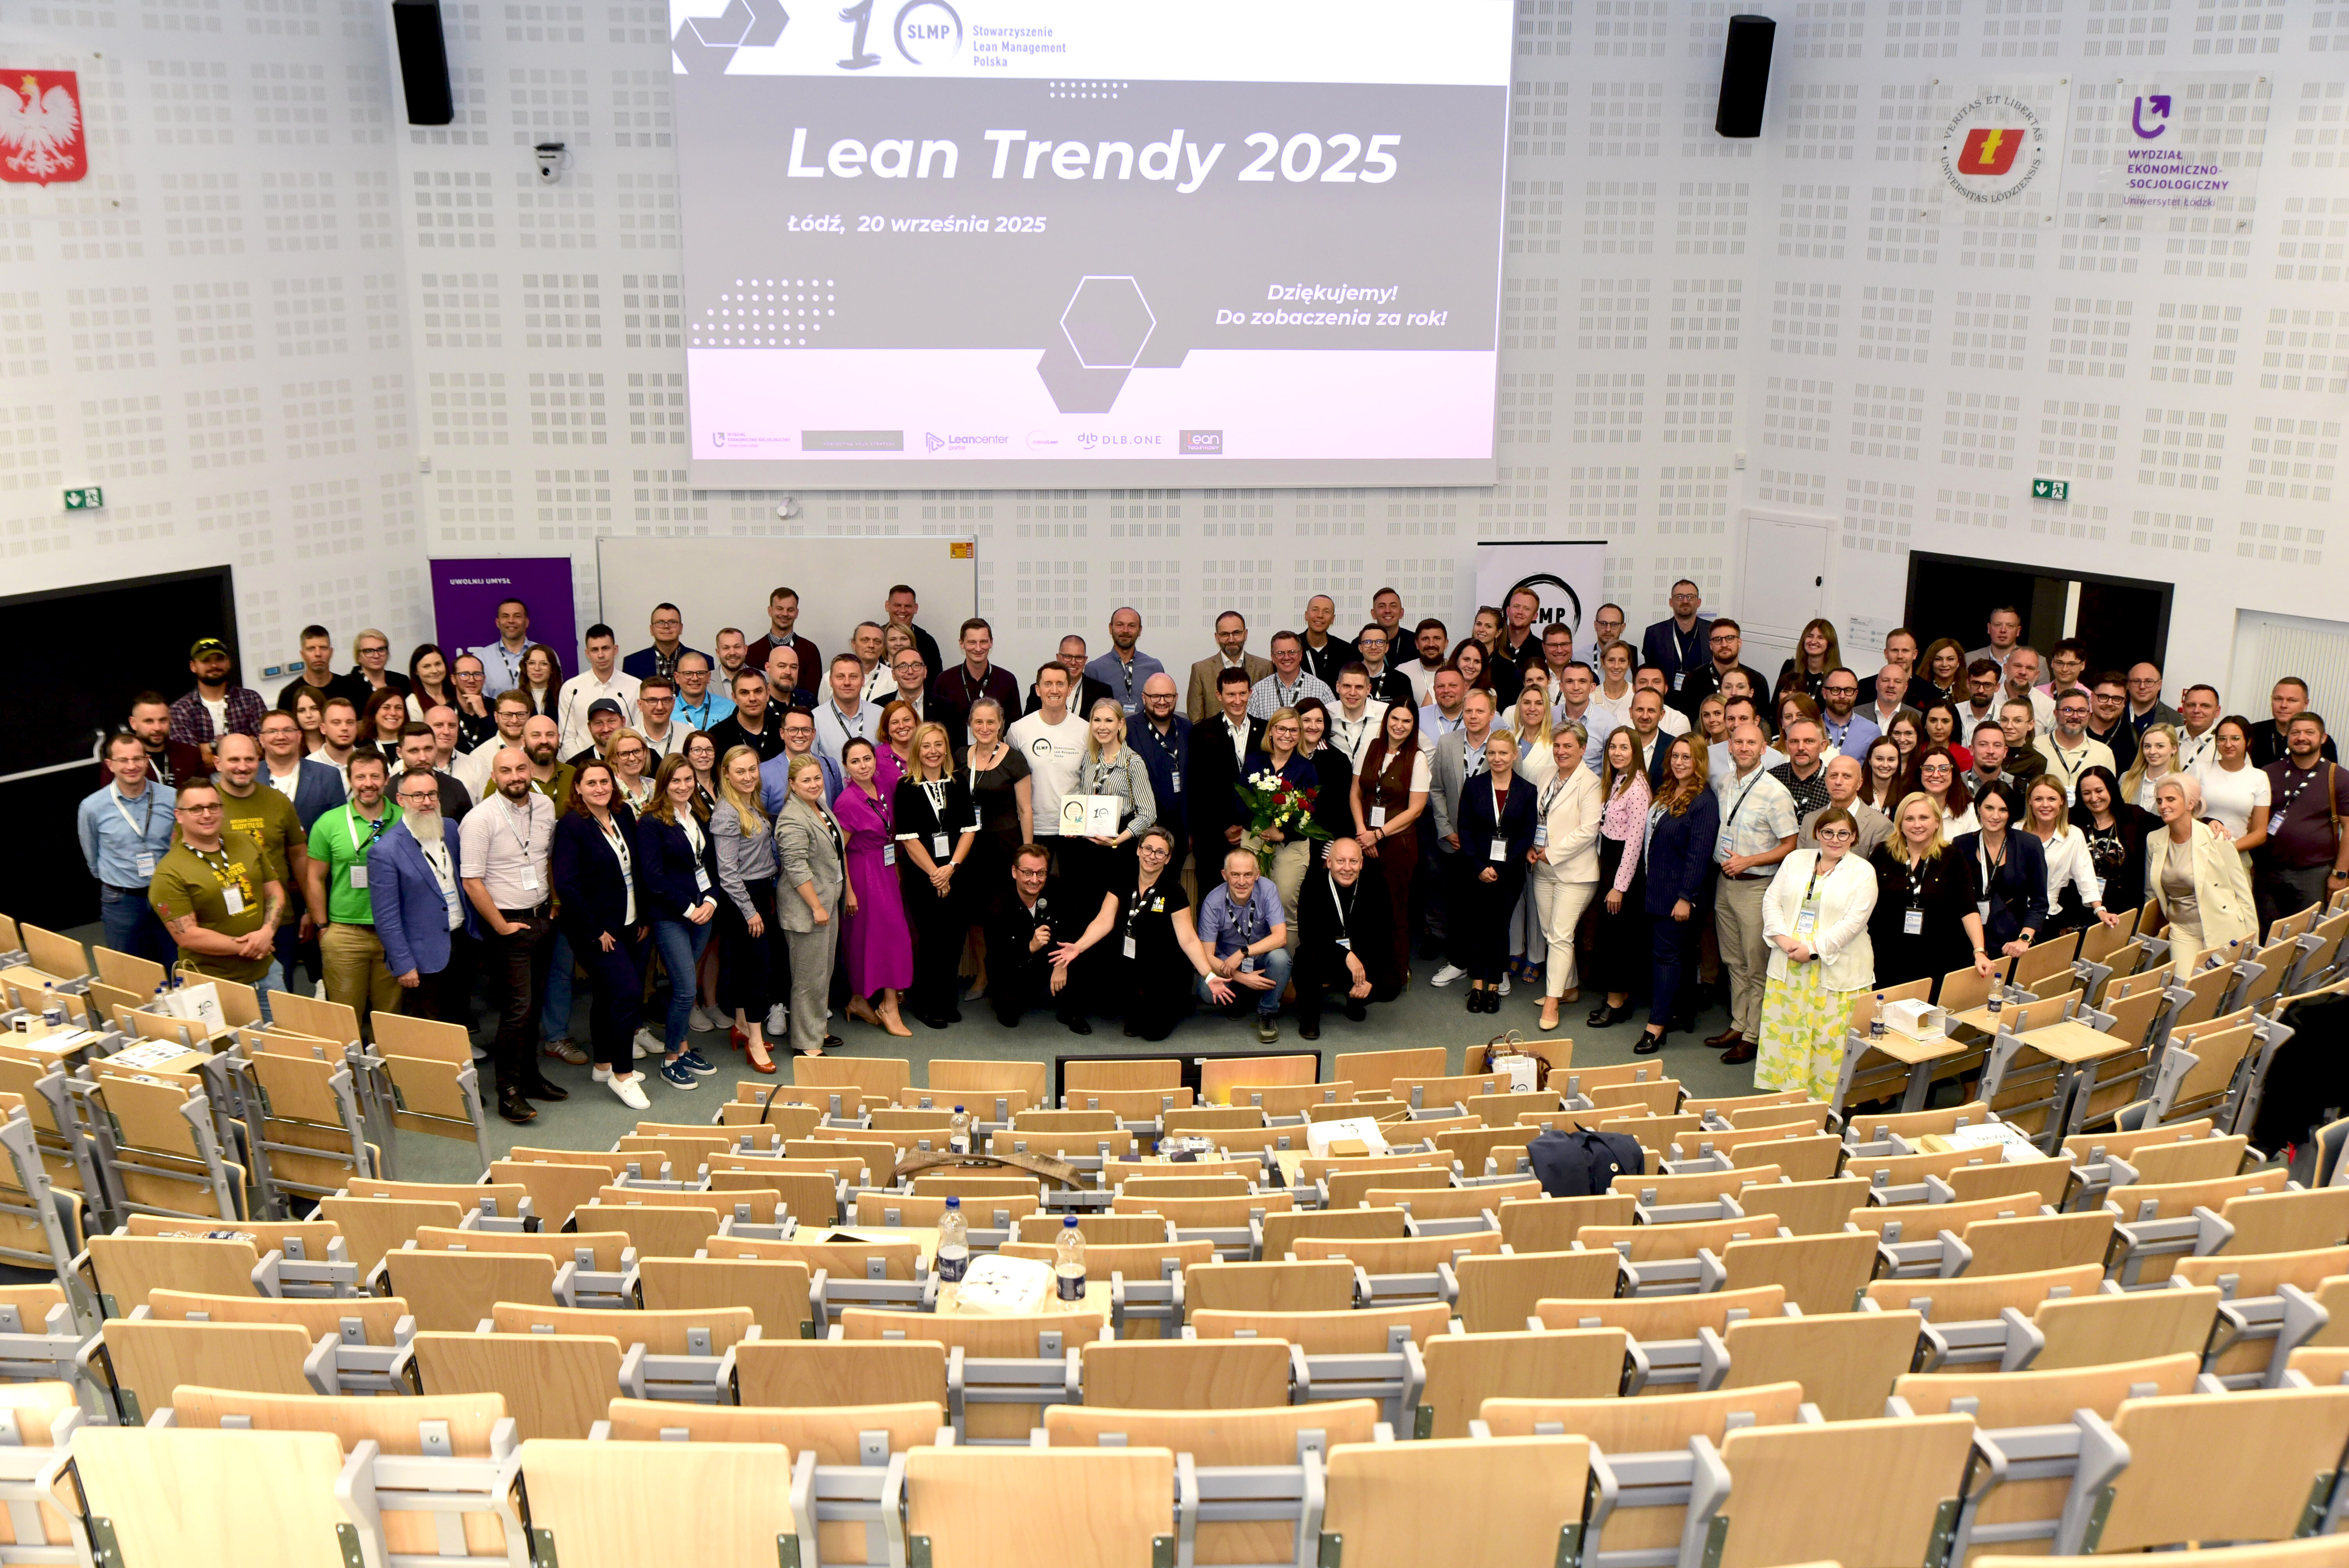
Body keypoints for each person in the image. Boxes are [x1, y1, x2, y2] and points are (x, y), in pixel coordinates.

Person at [458, 745, 566, 1124]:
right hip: (507, 926)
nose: (515, 776)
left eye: (521, 768)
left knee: (534, 1007)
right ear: (494, 777)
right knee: (517, 1011)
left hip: (541, 919)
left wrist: (554, 901)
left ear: (531, 771)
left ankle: (530, 1077)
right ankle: (508, 1091)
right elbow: (471, 880)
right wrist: (500, 925)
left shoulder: (546, 806)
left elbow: (545, 858)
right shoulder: (479, 819)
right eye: (506, 771)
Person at [1753, 805, 1878, 1099]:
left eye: (1843, 834)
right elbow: (1771, 901)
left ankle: (1826, 1104)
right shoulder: (1796, 859)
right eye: (1828, 832)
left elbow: (1854, 923)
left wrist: (1812, 950)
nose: (1835, 839)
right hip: (1790, 962)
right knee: (1788, 1034)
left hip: (1836, 967)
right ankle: (1787, 1097)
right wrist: (1784, 941)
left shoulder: (1863, 872)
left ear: (1854, 837)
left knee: (1828, 1041)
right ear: (1817, 833)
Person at [549, 760, 650, 1107]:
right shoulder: (571, 826)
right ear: (578, 788)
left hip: (629, 920)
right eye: (590, 783)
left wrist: (642, 915)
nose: (599, 788)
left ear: (613, 785)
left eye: (604, 781)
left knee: (608, 994)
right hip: (594, 929)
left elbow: (636, 869)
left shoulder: (623, 815)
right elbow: (567, 884)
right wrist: (596, 929)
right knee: (627, 993)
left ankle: (603, 1065)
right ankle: (623, 1075)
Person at [1060, 826, 1209, 1040]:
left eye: (1160, 852)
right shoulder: (1122, 879)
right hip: (1129, 956)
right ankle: (1131, 1004)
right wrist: (1078, 947)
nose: (1152, 856)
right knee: (1091, 953)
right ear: (1139, 850)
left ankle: (1171, 1001)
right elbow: (1104, 921)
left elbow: (1189, 939)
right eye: (1148, 849)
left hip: (1162, 964)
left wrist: (1209, 975)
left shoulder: (1174, 891)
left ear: (1168, 859)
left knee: (1153, 1033)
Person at [147, 777, 285, 1007]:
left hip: (267, 971)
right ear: (179, 815)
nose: (207, 815)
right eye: (196, 809)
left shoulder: (246, 843)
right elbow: (187, 935)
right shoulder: (169, 873)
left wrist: (267, 932)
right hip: (212, 984)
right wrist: (252, 946)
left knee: (285, 1029)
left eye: (213, 807)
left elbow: (275, 892)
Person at [1710, 723, 1800, 1064]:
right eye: (1739, 742)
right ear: (1730, 746)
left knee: (1755, 964)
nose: (1744, 747)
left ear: (1764, 749)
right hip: (1725, 883)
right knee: (1732, 960)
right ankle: (1739, 1023)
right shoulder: (1724, 782)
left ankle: (1753, 1035)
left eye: (1752, 742)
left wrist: (1749, 861)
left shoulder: (1775, 793)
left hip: (1756, 886)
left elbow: (1790, 845)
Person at [635, 754, 721, 1090]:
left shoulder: (700, 813)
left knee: (686, 987)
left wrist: (711, 900)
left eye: (689, 780)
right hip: (673, 917)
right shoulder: (651, 822)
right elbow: (653, 879)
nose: (684, 786)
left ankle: (683, 1049)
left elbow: (710, 864)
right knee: (685, 990)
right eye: (676, 781)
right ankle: (671, 1060)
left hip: (704, 912)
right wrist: (690, 909)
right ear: (664, 783)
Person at [305, 748, 402, 1038]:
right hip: (345, 932)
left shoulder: (405, 819)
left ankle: (389, 1066)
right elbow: (314, 877)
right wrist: (322, 927)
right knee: (345, 1020)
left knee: (391, 1018)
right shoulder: (329, 823)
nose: (368, 784)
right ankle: (349, 1067)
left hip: (394, 933)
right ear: (350, 780)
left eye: (375, 776)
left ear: (387, 780)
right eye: (360, 777)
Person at [369, 767, 475, 1027]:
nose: (427, 802)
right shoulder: (385, 851)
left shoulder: (450, 828)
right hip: (423, 954)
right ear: (401, 800)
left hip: (461, 940)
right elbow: (387, 918)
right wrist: (404, 964)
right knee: (429, 1025)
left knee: (459, 1013)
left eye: (432, 794)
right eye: (417, 796)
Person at [1636, 733, 1717, 1054]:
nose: (1680, 762)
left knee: (1666, 958)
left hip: (1679, 895)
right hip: (1657, 888)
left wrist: (1686, 898)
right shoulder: (1668, 790)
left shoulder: (1704, 801)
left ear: (1699, 762)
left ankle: (1655, 1028)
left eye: (1687, 757)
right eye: (1676, 756)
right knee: (1673, 956)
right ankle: (1681, 1011)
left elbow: (1699, 855)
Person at [893, 722, 977, 1029]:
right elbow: (908, 838)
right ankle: (926, 1005)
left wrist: (951, 868)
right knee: (931, 941)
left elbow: (969, 830)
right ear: (917, 750)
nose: (933, 752)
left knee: (954, 939)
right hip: (923, 877)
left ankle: (947, 1001)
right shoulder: (906, 786)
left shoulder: (958, 781)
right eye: (926, 746)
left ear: (946, 748)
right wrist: (935, 874)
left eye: (938, 745)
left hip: (956, 873)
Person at [834, 736, 914, 1037]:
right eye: (855, 762)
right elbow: (839, 851)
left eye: (867, 759)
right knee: (884, 938)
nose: (863, 766)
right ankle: (889, 1006)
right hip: (863, 873)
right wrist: (849, 890)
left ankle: (858, 1000)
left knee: (876, 938)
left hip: (886, 867)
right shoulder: (847, 802)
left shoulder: (882, 787)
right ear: (846, 767)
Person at [79, 731, 182, 966]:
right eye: (123, 760)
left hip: (169, 893)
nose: (132, 766)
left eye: (137, 759)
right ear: (110, 765)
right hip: (122, 899)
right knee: (130, 968)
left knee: (178, 964)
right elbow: (92, 855)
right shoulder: (92, 807)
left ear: (147, 760)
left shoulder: (172, 798)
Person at [1454, 729, 1538, 1015]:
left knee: (1499, 927)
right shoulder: (1474, 786)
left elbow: (1527, 834)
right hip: (1475, 868)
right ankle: (1477, 985)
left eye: (1503, 753)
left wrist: (1500, 867)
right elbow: (1465, 829)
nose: (1497, 758)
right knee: (1478, 925)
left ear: (1514, 755)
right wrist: (1479, 867)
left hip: (1509, 873)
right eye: (1492, 753)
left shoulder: (1527, 791)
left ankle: (1494, 987)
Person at [711, 744, 782, 1072]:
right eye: (740, 771)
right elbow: (727, 873)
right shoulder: (727, 812)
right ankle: (755, 1040)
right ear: (726, 774)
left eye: (753, 769)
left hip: (759, 891)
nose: (748, 776)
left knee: (743, 967)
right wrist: (750, 911)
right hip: (743, 898)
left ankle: (741, 1025)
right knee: (759, 969)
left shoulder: (749, 801)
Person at [2147, 772, 2260, 976]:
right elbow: (2152, 891)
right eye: (2160, 801)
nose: (2163, 806)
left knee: (2217, 986)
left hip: (2221, 924)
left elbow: (2242, 890)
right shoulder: (2154, 840)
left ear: (2191, 804)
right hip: (2181, 928)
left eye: (2171, 799)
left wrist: (2253, 941)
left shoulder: (2216, 837)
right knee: (2184, 985)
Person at [1426, 689, 1502, 988]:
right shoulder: (1447, 743)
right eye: (1468, 711)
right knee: (1457, 905)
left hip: (1488, 845)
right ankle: (1459, 962)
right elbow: (1436, 789)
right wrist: (1446, 828)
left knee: (1489, 908)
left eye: (1480, 711)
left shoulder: (1503, 744)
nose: (1473, 716)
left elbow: (1513, 793)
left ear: (1492, 714)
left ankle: (1492, 968)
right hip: (1455, 840)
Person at [775, 754, 850, 1057]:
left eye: (817, 778)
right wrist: (817, 906)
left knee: (823, 973)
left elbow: (836, 853)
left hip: (828, 902)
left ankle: (816, 1030)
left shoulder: (820, 807)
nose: (814, 784)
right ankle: (806, 1043)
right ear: (792, 784)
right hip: (808, 909)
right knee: (808, 979)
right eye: (806, 780)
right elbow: (796, 868)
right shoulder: (792, 817)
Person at [1530, 725, 1603, 1031]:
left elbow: (1589, 830)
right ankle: (1569, 988)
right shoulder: (1546, 775)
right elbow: (1537, 817)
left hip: (1576, 873)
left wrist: (1553, 852)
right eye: (1557, 746)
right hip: (1543, 869)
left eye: (1568, 746)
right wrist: (1532, 847)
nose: (1561, 752)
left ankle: (1552, 1002)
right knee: (1552, 932)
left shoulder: (1591, 783)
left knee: (1561, 935)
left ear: (1583, 749)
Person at [1290, 834, 1399, 1040]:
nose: (1347, 868)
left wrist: (1369, 977)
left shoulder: (1377, 884)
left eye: (1353, 861)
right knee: (1306, 958)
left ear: (1361, 863)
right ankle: (1310, 1015)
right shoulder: (1313, 883)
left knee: (1391, 985)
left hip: (1361, 954)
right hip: (1324, 952)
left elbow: (1384, 935)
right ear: (1330, 862)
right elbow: (1309, 935)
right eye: (1341, 861)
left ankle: (1355, 1000)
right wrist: (1346, 956)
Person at [1351, 699, 1427, 989]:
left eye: (1407, 721)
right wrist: (1363, 832)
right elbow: (1355, 792)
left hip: (1397, 845)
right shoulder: (1371, 747)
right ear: (1386, 720)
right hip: (1364, 841)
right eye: (1395, 718)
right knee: (1365, 908)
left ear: (1413, 726)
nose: (1399, 726)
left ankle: (1395, 973)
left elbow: (1416, 809)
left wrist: (1379, 834)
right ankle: (1365, 971)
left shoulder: (1417, 758)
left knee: (1395, 909)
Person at [1869, 793, 1977, 993]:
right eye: (1910, 819)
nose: (1917, 825)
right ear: (1900, 824)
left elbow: (1968, 907)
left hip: (1939, 957)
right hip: (1888, 957)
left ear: (1937, 822)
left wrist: (1979, 951)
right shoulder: (1882, 854)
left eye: (1924, 818)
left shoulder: (1953, 857)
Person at [2255, 712, 2349, 935]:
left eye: (2309, 733)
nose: (2301, 738)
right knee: (2266, 935)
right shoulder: (2267, 773)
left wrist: (2341, 874)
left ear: (2323, 738)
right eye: (2295, 733)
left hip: (2314, 875)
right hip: (2268, 872)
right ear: (2288, 737)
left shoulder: (2338, 777)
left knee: (2306, 938)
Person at [987, 841, 1093, 1032]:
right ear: (1015, 872)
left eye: (1041, 873)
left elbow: (1075, 932)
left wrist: (1062, 964)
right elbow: (998, 957)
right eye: (1028, 873)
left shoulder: (1058, 890)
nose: (1035, 880)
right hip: (1015, 967)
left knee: (1081, 952)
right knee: (1009, 1015)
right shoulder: (999, 904)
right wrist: (1030, 947)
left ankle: (1070, 1012)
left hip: (1051, 961)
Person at [1193, 847, 1291, 1044]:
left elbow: (1281, 938)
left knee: (1281, 959)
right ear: (1225, 875)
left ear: (1257, 874)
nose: (1242, 882)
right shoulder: (1213, 901)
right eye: (1235, 875)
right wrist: (1242, 978)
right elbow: (1206, 956)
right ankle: (1237, 997)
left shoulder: (1268, 889)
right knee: (1205, 990)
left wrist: (1243, 953)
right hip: (1227, 963)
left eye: (1248, 875)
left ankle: (1267, 1011)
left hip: (1259, 957)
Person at [1242, 707, 1318, 953]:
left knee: (1285, 906)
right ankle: (1252, 960)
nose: (1287, 735)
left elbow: (1311, 812)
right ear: (1271, 732)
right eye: (1282, 728)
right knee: (1249, 902)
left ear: (1300, 735)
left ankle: (1286, 968)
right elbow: (1240, 801)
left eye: (1294, 730)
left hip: (1291, 846)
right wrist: (1262, 826)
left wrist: (1282, 834)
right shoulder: (1254, 760)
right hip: (1255, 839)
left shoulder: (1306, 768)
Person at [1951, 780, 2048, 963]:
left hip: (2014, 944)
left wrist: (2024, 939)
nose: (1995, 816)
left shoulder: (2029, 844)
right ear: (1978, 808)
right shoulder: (1961, 845)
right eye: (1989, 808)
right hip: (1969, 943)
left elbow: (2040, 902)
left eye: (2003, 810)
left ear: (2010, 812)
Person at [1008, 662, 1087, 860]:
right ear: (1038, 690)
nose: (1054, 690)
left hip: (1073, 828)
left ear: (1070, 689)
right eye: (1048, 684)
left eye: (1060, 684)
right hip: (1033, 827)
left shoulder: (1086, 731)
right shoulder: (1018, 730)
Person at [2021, 775, 2116, 935]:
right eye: (2038, 799)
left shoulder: (2073, 835)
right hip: (2014, 913)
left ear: (2062, 801)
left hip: (2048, 915)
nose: (2045, 805)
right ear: (2030, 801)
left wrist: (2100, 910)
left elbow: (2085, 876)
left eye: (2052, 799)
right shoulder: (2016, 830)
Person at [2075, 765, 2158, 930]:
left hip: (2127, 912)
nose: (2094, 798)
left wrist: (2208, 822)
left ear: (2111, 789)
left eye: (2100, 791)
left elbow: (2171, 824)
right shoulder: (2072, 822)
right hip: (2083, 912)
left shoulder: (2134, 817)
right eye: (2087, 793)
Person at [169, 636, 266, 770]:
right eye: (206, 661)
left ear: (228, 663)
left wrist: (207, 748)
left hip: (252, 777)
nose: (214, 666)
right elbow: (190, 761)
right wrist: (246, 743)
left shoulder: (250, 699)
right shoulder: (181, 709)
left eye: (219, 659)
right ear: (193, 666)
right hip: (205, 782)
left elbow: (264, 750)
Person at [555, 625, 641, 759]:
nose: (601, 655)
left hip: (626, 761)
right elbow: (567, 738)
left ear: (615, 650)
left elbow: (640, 731)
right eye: (595, 650)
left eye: (606, 648)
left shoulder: (635, 686)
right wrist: (582, 766)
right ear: (587, 653)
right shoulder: (571, 689)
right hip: (585, 764)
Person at [932, 617, 1021, 739]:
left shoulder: (1007, 681)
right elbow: (936, 727)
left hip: (995, 751)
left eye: (983, 642)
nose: (978, 648)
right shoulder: (944, 681)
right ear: (962, 644)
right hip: (955, 751)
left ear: (991, 643)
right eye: (972, 642)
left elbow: (1014, 727)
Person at [2198, 716, 2272, 862]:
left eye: (2236, 739)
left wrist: (2227, 850)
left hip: (2236, 856)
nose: (2228, 744)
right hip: (2198, 851)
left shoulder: (2260, 778)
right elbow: (2185, 813)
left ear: (2248, 741)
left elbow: (2260, 833)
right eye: (2222, 739)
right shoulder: (2200, 770)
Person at [1131, 674, 1190, 856]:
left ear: (1176, 697)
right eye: (1155, 696)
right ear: (1144, 698)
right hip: (1141, 833)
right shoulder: (1127, 730)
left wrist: (1191, 830)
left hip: (1180, 832)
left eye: (1168, 696)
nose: (1162, 702)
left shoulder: (1188, 729)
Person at [1675, 618, 1771, 724]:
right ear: (1711, 645)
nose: (1724, 644)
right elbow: (1688, 725)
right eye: (1718, 640)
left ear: (1739, 643)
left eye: (1730, 638)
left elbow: (1764, 725)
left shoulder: (1757, 681)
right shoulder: (1693, 680)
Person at [1185, 611, 1275, 722]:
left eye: (1237, 633)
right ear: (1217, 637)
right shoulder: (1201, 670)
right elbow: (1196, 720)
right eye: (1225, 634)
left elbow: (1270, 713)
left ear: (1246, 634)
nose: (1231, 640)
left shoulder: (1265, 668)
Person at [2036, 690, 2116, 805]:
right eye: (2068, 710)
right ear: (2056, 714)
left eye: (2081, 711)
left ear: (2089, 716)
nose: (2075, 716)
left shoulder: (2104, 753)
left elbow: (2110, 797)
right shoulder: (2036, 747)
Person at [1800, 755, 1890, 857]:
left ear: (1859, 784)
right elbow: (1799, 862)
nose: (1838, 782)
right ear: (1826, 782)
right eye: (1833, 776)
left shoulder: (1880, 826)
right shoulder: (1809, 820)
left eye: (1847, 776)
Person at [744, 585, 822, 701]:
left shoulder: (810, 651)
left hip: (802, 710)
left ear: (797, 613)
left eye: (790, 610)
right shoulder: (753, 652)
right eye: (780, 609)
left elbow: (813, 694)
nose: (785, 614)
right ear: (770, 611)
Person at [1086, 607, 1165, 716]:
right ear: (1111, 628)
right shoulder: (1094, 669)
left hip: (1145, 727)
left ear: (1140, 631)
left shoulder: (1154, 668)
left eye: (1132, 626)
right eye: (1120, 625)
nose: (1125, 631)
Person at [1640, 578, 1712, 693]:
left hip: (1704, 699)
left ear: (1699, 602)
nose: (1685, 601)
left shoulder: (1712, 631)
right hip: (1666, 699)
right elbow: (1648, 671)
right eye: (1679, 597)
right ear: (1671, 602)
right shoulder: (1654, 633)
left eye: (1690, 597)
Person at [1247, 631, 1338, 719]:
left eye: (1292, 652)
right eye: (1280, 653)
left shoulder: (1321, 690)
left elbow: (1334, 725)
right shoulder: (1258, 692)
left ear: (1301, 655)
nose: (1287, 657)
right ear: (1273, 658)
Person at [276, 624, 366, 713]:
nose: (318, 654)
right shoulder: (288, 695)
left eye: (323, 648)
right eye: (311, 649)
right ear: (303, 655)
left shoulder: (351, 688)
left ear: (331, 652)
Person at [2250, 677, 2338, 768]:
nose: (2284, 705)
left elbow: (2328, 774)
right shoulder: (2252, 733)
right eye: (2278, 699)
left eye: (2292, 700)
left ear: (2306, 704)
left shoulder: (2320, 741)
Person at [394, 723, 471, 826]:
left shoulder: (456, 787)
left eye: (428, 749)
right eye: (414, 751)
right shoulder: (388, 790)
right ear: (400, 753)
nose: (423, 758)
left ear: (436, 749)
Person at [705, 669, 787, 764]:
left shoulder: (784, 727)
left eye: (758, 691)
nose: (752, 698)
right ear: (735, 698)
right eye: (745, 693)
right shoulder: (717, 735)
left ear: (768, 694)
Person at [1025, 634, 1115, 718]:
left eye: (1079, 657)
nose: (1073, 663)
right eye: (1068, 657)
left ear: (1085, 660)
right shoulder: (1041, 690)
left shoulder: (1102, 692)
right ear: (1058, 658)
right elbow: (1029, 723)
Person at [810, 654, 875, 764]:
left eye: (853, 677)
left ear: (863, 681)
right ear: (831, 681)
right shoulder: (815, 719)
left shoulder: (879, 715)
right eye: (840, 677)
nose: (847, 683)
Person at [467, 599, 534, 698]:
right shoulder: (481, 658)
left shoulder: (545, 655)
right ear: (498, 623)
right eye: (506, 616)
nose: (511, 621)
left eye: (517, 616)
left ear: (527, 622)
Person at [1768, 716, 1832, 819]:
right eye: (1794, 742)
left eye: (1809, 741)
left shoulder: (1834, 783)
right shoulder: (1770, 779)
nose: (1801, 748)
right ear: (1787, 746)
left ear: (1822, 746)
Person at [623, 602, 703, 682]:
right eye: (660, 622)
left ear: (681, 628)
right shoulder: (632, 663)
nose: (666, 626)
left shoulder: (704, 661)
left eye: (672, 622)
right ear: (652, 630)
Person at [1774, 618, 1843, 707]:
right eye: (1810, 636)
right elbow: (1775, 705)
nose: (1813, 642)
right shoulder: (1790, 666)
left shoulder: (1838, 676)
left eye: (1821, 638)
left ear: (1830, 644)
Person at [1816, 668, 1878, 760]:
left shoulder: (1872, 731)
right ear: (1825, 693)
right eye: (1836, 690)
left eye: (1848, 690)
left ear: (1856, 695)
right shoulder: (1810, 727)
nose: (1842, 696)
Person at [2086, 673, 2139, 778]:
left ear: (2124, 703)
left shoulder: (2136, 736)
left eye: (2117, 699)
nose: (2110, 703)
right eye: (2103, 697)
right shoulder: (2075, 730)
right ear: (2092, 698)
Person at [2121, 722, 2183, 813]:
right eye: (2148, 746)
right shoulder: (2127, 778)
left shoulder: (2182, 785)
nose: (2152, 752)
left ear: (2174, 749)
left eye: (2160, 746)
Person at [1914, 747, 1975, 835]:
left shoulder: (1970, 811)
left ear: (1954, 774)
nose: (1936, 775)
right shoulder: (1908, 807)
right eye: (1929, 769)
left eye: (1944, 769)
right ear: (1919, 774)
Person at [633, 675, 693, 765]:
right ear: (640, 705)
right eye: (652, 700)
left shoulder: (690, 737)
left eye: (666, 700)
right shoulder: (627, 739)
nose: (660, 707)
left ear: (673, 704)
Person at [1352, 624, 1414, 709]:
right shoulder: (1349, 679)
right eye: (1368, 642)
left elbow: (1408, 713)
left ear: (1387, 648)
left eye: (1379, 642)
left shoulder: (1402, 681)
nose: (1374, 647)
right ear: (1360, 648)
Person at [672, 652, 733, 734]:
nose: (695, 679)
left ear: (709, 677)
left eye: (701, 673)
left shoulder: (729, 709)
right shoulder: (667, 710)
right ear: (677, 678)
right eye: (688, 674)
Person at [447, 654, 497, 751]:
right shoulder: (445, 711)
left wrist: (484, 716)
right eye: (464, 675)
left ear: (484, 679)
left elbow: (502, 744)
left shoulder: (499, 708)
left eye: (477, 675)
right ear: (454, 679)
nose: (471, 680)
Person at [2173, 683, 2224, 776]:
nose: (2197, 710)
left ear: (2217, 712)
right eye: (2191, 705)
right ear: (2183, 709)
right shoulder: (2168, 736)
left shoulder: (2226, 744)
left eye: (2205, 706)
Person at [2124, 662, 2183, 738]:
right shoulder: (2115, 712)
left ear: (2160, 685)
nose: (2142, 687)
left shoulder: (2174, 719)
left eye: (2149, 682)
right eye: (2137, 681)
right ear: (2128, 685)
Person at [405, 643, 458, 723]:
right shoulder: (413, 703)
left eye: (438, 664)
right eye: (427, 667)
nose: (434, 671)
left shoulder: (457, 694)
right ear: (416, 671)